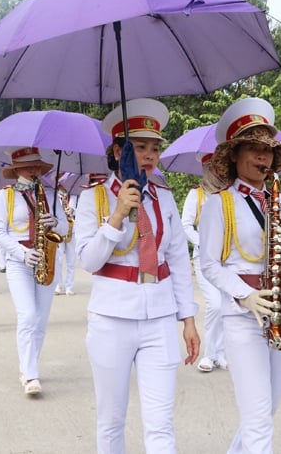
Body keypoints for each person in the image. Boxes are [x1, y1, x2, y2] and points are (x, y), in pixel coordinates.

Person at [74, 98, 199, 453]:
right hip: (111, 318)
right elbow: (89, 261)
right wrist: (115, 217)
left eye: (155, 148)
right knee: (111, 420)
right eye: (140, 147)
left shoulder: (163, 197)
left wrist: (188, 318)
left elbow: (176, 258)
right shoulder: (93, 199)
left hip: (158, 317)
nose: (149, 155)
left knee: (160, 424)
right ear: (118, 151)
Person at [198, 97, 281, 454]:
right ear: (234, 155)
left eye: (267, 151)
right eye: (253, 148)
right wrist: (243, 295)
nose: (262, 158)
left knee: (267, 411)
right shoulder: (219, 204)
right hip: (243, 316)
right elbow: (207, 264)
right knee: (258, 417)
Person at [0, 147, 68, 396]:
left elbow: (65, 229)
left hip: (46, 255)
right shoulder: (5, 197)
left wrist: (56, 221)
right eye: (28, 166)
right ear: (16, 170)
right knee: (28, 315)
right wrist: (22, 253)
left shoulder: (52, 194)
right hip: (19, 259)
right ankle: (30, 374)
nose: (34, 170)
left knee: (41, 319)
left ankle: (28, 366)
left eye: (37, 166)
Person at [181, 152, 228, 373]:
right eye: (212, 167)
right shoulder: (196, 195)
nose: (216, 171)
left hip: (228, 260)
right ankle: (209, 354)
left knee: (228, 306)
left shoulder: (230, 194)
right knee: (215, 304)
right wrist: (204, 242)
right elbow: (186, 225)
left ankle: (221, 352)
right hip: (204, 260)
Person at [54, 186, 77, 296]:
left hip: (72, 230)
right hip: (59, 230)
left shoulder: (75, 195)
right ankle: (58, 285)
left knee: (71, 261)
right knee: (58, 260)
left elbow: (82, 210)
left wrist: (73, 210)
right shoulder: (55, 195)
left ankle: (69, 286)